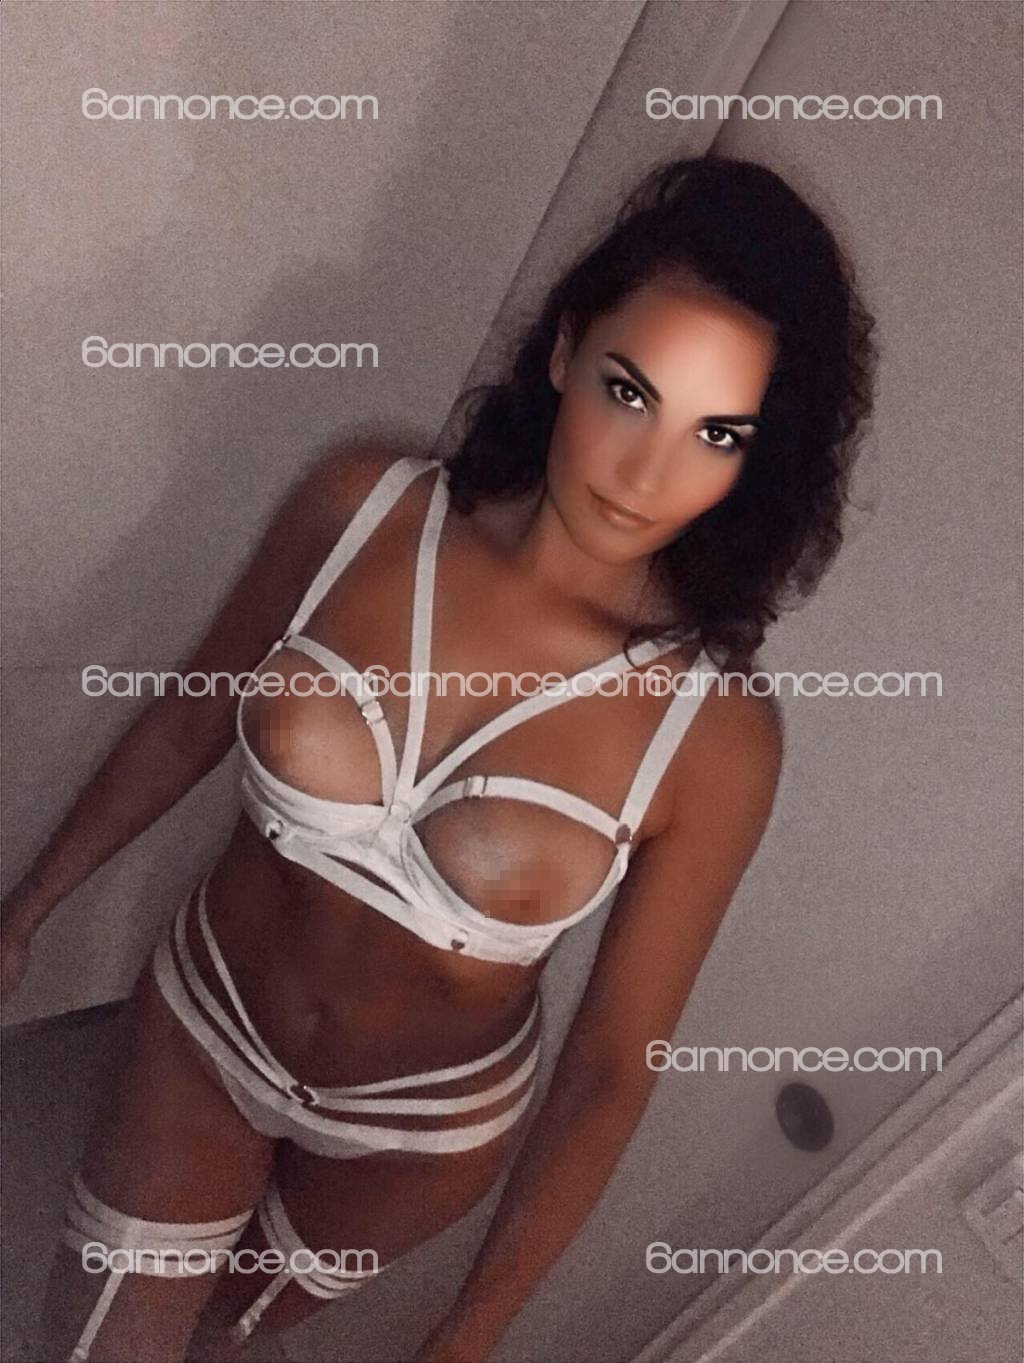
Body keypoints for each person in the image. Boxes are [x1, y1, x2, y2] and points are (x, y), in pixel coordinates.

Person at [0, 152, 877, 1363]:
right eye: (629, 391)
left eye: (715, 432)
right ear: (565, 350)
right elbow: (188, 717)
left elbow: (610, 1069)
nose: (645, 473)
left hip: (419, 1136)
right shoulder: (362, 505)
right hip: (210, 1018)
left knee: (214, 1340)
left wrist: (471, 1332)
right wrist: (28, 908)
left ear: (754, 462)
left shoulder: (714, 735)